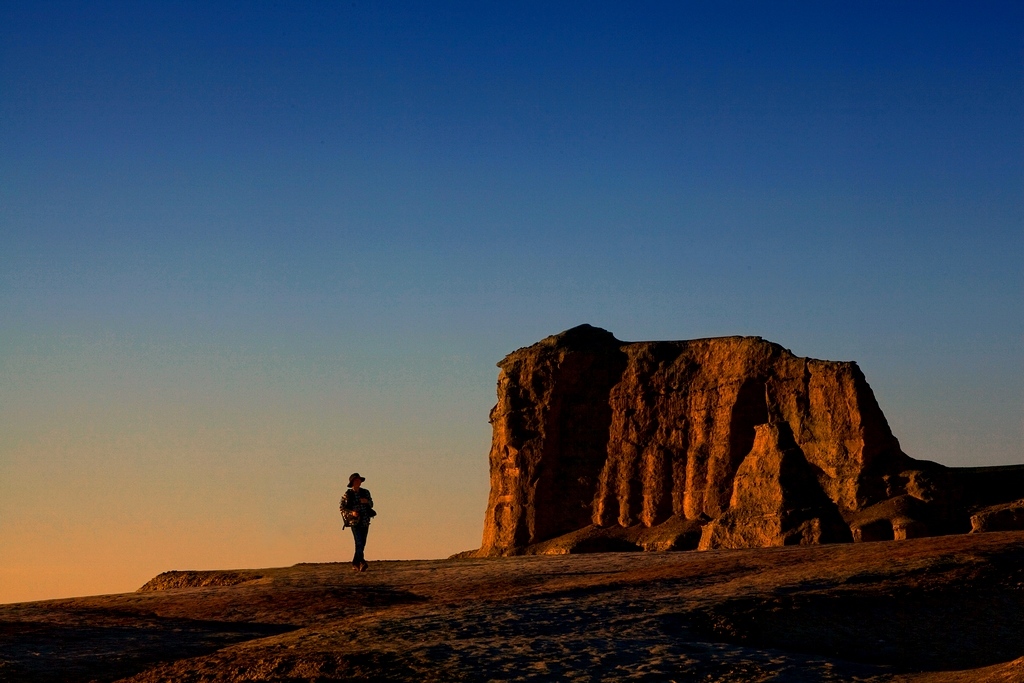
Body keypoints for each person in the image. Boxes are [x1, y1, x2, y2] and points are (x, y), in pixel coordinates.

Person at [340, 472, 374, 572]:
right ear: (352, 482)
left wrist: (367, 502)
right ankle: (361, 562)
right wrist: (352, 513)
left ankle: (356, 563)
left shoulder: (366, 492)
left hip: (365, 520)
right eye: (356, 480)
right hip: (354, 522)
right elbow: (342, 508)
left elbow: (371, 504)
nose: (358, 482)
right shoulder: (348, 494)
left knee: (362, 543)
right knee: (359, 542)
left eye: (359, 480)